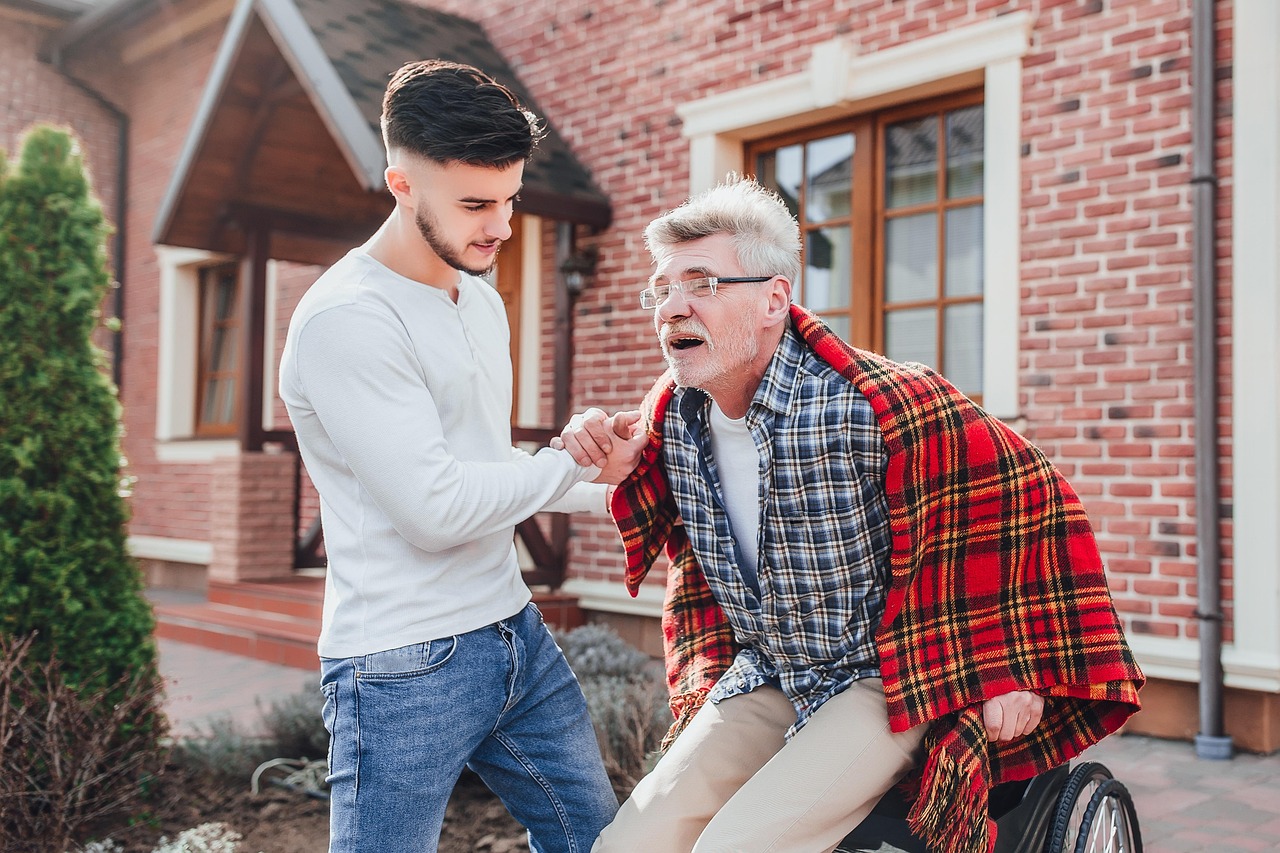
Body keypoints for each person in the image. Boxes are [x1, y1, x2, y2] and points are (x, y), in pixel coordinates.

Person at [561, 176, 1144, 853]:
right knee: (627, 844)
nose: (672, 307)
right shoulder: (673, 420)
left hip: (884, 681)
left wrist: (1018, 667)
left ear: (774, 299)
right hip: (771, 669)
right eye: (662, 289)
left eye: (702, 283)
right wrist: (599, 453)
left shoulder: (878, 407)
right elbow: (623, 471)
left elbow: (1029, 499)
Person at [278, 60, 643, 853]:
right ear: (401, 184)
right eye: (476, 204)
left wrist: (610, 476)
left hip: (513, 630)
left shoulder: (476, 295)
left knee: (604, 842)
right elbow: (436, 507)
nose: (501, 226)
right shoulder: (348, 320)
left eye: (510, 200)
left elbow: (483, 460)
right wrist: (571, 466)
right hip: (401, 665)